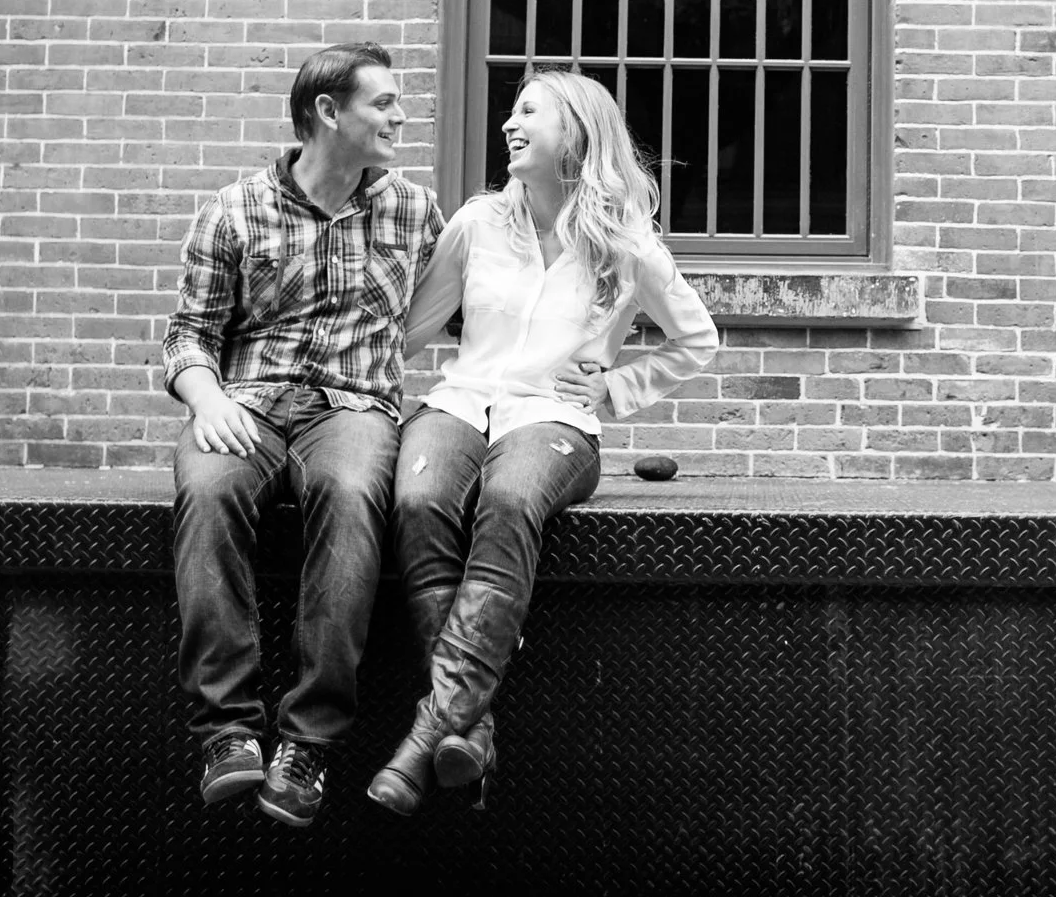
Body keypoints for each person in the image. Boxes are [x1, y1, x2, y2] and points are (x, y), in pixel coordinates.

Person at [367, 68, 720, 813]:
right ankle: (470, 724)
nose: (508, 124)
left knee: (508, 497)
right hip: (462, 402)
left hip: (554, 422)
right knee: (422, 495)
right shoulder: (475, 224)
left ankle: (427, 731)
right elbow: (409, 333)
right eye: (510, 112)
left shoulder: (625, 245)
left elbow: (697, 338)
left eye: (529, 111)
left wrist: (615, 389)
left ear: (578, 132)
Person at [160, 41, 443, 827]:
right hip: (246, 402)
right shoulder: (235, 208)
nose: (400, 115)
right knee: (210, 491)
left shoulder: (416, 211)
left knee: (352, 493)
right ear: (328, 112)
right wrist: (206, 398)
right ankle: (227, 731)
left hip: (353, 408)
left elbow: (486, 304)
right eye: (383, 102)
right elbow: (187, 333)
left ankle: (309, 741)